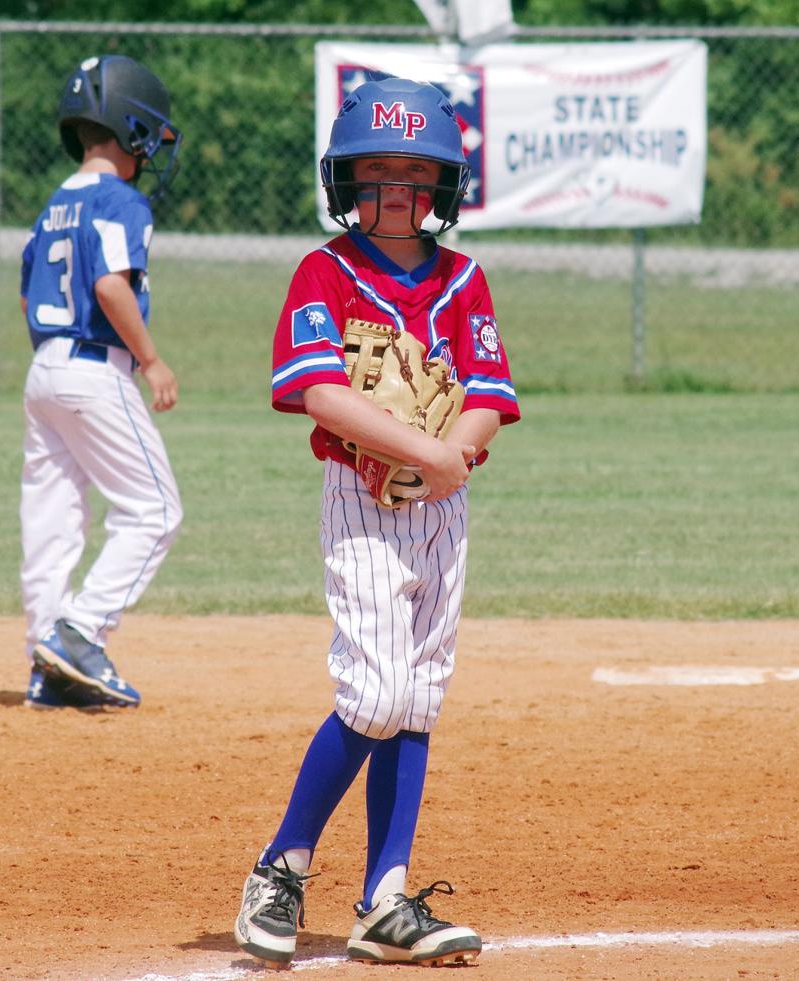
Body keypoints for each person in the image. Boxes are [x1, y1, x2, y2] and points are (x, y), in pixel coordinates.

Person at [232, 76, 520, 967]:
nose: (396, 189)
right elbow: (315, 389)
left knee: (419, 695)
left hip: (443, 504)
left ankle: (386, 898)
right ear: (344, 180)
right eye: (376, 171)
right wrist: (416, 449)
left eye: (416, 172)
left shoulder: (464, 279)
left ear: (444, 187)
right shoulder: (327, 272)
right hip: (361, 500)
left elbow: (489, 395)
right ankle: (280, 867)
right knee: (376, 690)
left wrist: (451, 457)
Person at [18, 54, 184, 710]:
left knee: (53, 518)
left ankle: (48, 660)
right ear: (130, 129)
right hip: (95, 367)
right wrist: (152, 361)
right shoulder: (121, 198)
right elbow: (110, 282)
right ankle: (81, 632)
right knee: (155, 510)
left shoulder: (55, 203)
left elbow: (29, 293)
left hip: (45, 368)